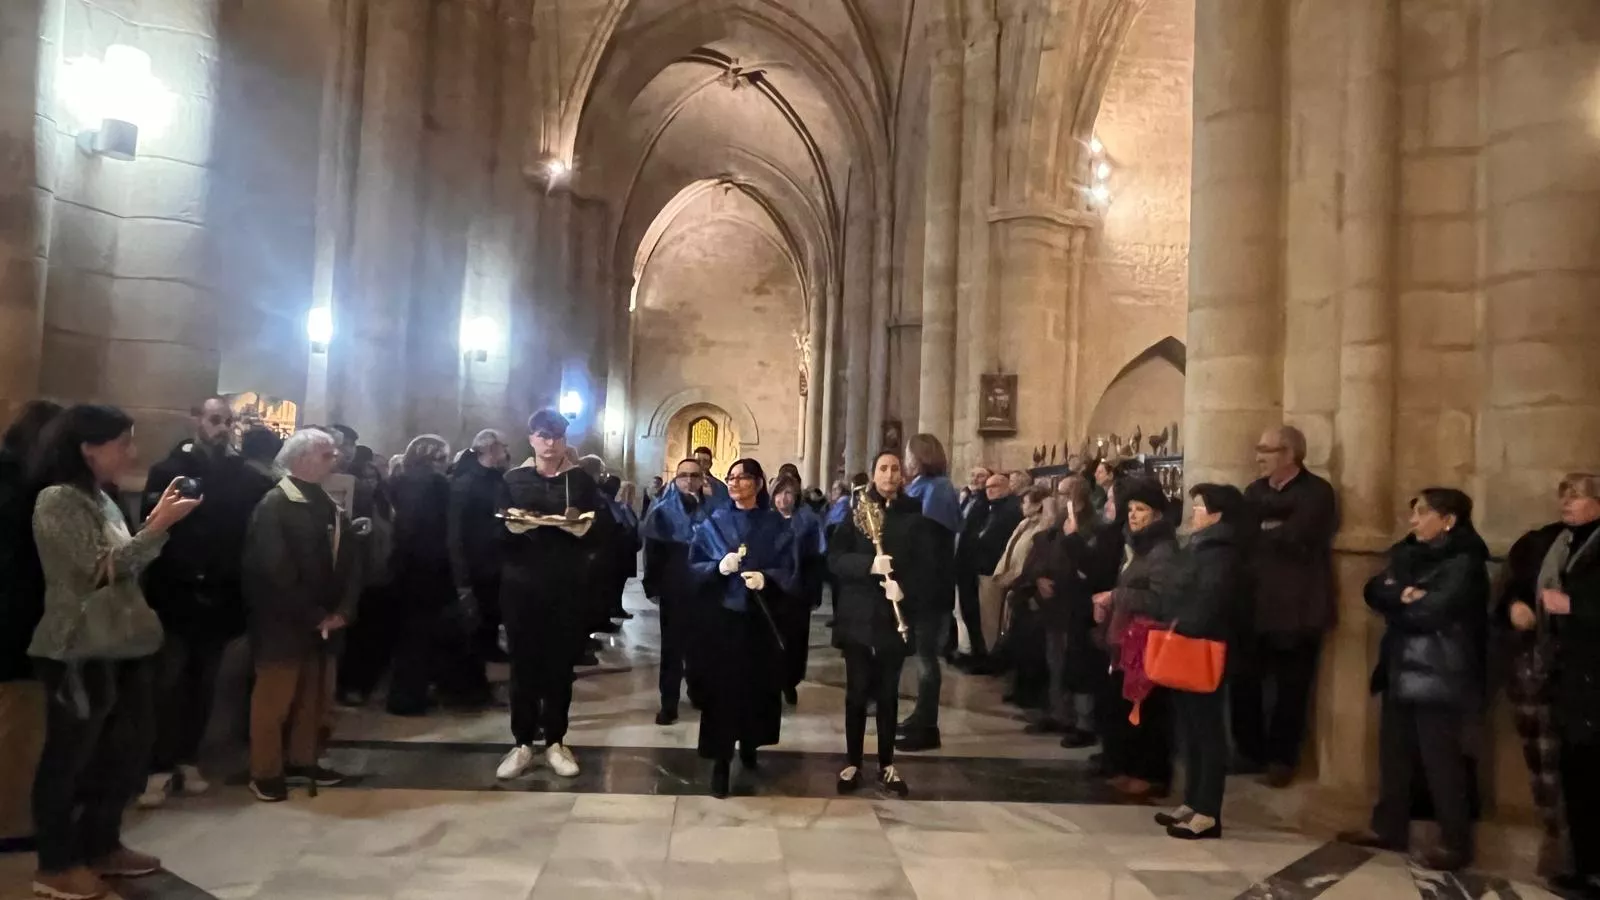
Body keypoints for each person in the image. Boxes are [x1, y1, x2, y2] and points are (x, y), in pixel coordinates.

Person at [28, 405, 201, 899]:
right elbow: (90, 572)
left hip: (120, 642)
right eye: (123, 442)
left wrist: (149, 524)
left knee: (123, 752)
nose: (132, 452)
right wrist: (157, 527)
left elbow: (121, 566)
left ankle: (102, 843)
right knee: (69, 758)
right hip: (76, 648)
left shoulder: (99, 498)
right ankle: (55, 865)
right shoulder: (57, 499)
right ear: (87, 448)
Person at [1339, 488, 1489, 872]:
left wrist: (1403, 602)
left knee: (1442, 761)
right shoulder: (1407, 552)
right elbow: (1374, 590)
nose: (1413, 520)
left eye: (1422, 513)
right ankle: (1390, 828)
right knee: (1394, 756)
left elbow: (1434, 611)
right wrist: (1404, 596)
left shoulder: (1465, 560)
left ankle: (1454, 842)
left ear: (1449, 519)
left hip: (1440, 671)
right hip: (1401, 666)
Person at [137, 397, 257, 808]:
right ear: (196, 421)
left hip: (220, 598)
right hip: (176, 595)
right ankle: (156, 766)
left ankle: (189, 760)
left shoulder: (242, 476)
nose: (222, 427)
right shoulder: (169, 470)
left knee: (205, 686)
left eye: (228, 421)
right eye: (214, 420)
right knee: (166, 684)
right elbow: (153, 530)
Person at [242, 429, 363, 803]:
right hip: (284, 621)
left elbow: (348, 558)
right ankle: (265, 771)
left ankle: (302, 759)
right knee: (274, 700)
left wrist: (343, 608)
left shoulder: (325, 502)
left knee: (313, 698)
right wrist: (313, 613)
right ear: (301, 460)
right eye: (327, 455)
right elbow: (274, 568)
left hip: (323, 619)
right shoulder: (275, 505)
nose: (335, 460)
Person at [493, 410, 614, 781]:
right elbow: (492, 531)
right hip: (521, 584)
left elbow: (604, 530)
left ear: (565, 439)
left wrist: (583, 531)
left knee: (560, 666)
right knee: (524, 665)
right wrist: (512, 527)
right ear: (531, 438)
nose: (550, 442)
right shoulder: (512, 480)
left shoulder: (579, 481)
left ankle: (557, 740)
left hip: (565, 584)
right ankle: (522, 742)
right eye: (543, 435)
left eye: (557, 436)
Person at [1500, 473, 1600, 894]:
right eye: (1563, 494)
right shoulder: (1545, 541)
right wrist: (1515, 606)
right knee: (1564, 775)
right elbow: (1512, 585)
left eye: (1577, 496)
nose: (1567, 502)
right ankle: (1575, 863)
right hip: (1551, 674)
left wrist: (1574, 607)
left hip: (1590, 675)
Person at [688, 458, 798, 798]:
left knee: (756, 688)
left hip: (759, 621)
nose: (734, 483)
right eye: (730, 478)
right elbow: (693, 567)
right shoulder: (712, 523)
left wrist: (768, 578)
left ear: (759, 483)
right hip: (723, 619)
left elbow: (789, 567)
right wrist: (717, 568)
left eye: (742, 478)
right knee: (723, 691)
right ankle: (720, 761)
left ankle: (750, 743)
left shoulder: (775, 525)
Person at [1235, 425, 1338, 787]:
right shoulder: (1254, 490)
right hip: (1256, 604)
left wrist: (1267, 528)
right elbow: (1244, 534)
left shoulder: (1317, 492)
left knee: (1291, 688)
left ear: (1289, 454)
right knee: (1244, 681)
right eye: (1258, 448)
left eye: (1267, 449)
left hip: (1298, 606)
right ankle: (1250, 751)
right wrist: (1269, 527)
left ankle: (1281, 760)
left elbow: (1296, 535)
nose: (1258, 456)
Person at [829, 449, 933, 797]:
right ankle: (853, 761)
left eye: (895, 469)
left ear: (902, 475)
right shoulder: (855, 511)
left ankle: (887, 762)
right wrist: (869, 567)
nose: (889, 474)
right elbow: (835, 559)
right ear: (873, 474)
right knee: (857, 693)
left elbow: (927, 566)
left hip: (894, 618)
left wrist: (903, 588)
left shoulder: (913, 515)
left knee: (888, 694)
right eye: (883, 468)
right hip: (859, 616)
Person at [1151, 484, 1249, 840]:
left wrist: (1182, 623)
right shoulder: (1199, 546)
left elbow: (1212, 598)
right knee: (1190, 729)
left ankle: (1208, 811)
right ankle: (1192, 801)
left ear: (1218, 514)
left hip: (1204, 645)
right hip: (1187, 643)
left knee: (1208, 732)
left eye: (1200, 507)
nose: (1194, 512)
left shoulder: (1221, 551)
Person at [387, 435, 489, 716]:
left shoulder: (396, 482)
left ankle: (407, 693)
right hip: (434, 568)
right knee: (435, 633)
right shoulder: (439, 486)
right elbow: (450, 531)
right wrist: (460, 576)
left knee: (409, 634)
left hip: (404, 567)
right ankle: (441, 692)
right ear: (435, 459)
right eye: (444, 458)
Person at [1092, 478, 1180, 799]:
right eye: (1130, 509)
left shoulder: (1163, 551)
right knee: (1125, 706)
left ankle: (1151, 774)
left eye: (1140, 510)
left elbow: (1161, 600)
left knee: (1149, 711)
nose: (1133, 515)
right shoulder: (1139, 547)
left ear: (1157, 514)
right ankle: (1128, 766)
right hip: (1126, 640)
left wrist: (1115, 596)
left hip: (1148, 641)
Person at [0, 401, 61, 854]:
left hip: (17, 622)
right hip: (16, 627)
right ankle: (12, 824)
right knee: (18, 727)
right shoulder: (22, 490)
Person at [1029, 476, 1120, 748]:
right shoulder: (1057, 525)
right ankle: (1059, 713)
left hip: (1078, 605)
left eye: (1063, 493)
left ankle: (1082, 721)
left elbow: (1087, 564)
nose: (1057, 498)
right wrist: (1038, 578)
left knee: (1078, 665)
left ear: (1077, 498)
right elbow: (1041, 554)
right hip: (1055, 604)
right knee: (1055, 661)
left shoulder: (1092, 527)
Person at [896, 434, 960, 753]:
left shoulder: (936, 491)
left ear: (920, 456)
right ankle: (920, 715)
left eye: (908, 455)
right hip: (923, 586)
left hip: (929, 589)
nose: (905, 461)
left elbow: (930, 548)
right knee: (921, 656)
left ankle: (928, 726)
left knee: (926, 659)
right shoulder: (926, 487)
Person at [641, 457, 717, 724]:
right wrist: (653, 584)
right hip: (675, 586)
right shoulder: (663, 510)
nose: (688, 480)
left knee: (702, 645)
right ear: (675, 478)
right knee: (672, 648)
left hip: (705, 586)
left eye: (694, 476)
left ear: (702, 479)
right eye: (683, 475)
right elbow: (653, 551)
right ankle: (668, 702)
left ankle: (699, 691)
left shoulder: (712, 509)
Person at [449, 429, 510, 663]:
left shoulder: (496, 478)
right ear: (491, 449)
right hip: (475, 557)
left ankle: (490, 646)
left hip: (494, 555)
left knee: (492, 608)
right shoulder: (466, 481)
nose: (506, 452)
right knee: (478, 612)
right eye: (503, 447)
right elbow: (456, 528)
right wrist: (460, 569)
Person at [952, 473, 1021, 673]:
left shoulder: (1009, 510)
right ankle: (977, 655)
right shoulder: (990, 507)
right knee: (974, 616)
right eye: (988, 487)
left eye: (996, 486)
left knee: (988, 620)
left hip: (991, 570)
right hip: (976, 567)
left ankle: (987, 660)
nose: (990, 490)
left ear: (1007, 487)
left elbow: (996, 539)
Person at [772, 475, 824, 706]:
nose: (783, 498)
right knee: (771, 640)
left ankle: (789, 682)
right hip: (770, 590)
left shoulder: (808, 521)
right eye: (779, 493)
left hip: (797, 591)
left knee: (795, 640)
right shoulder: (765, 520)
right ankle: (771, 682)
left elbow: (816, 559)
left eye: (789, 493)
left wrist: (813, 593)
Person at [597, 473, 642, 626]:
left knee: (619, 582)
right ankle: (610, 611)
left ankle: (615, 608)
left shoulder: (623, 506)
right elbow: (621, 525)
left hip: (625, 549)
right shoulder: (612, 504)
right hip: (618, 550)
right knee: (613, 583)